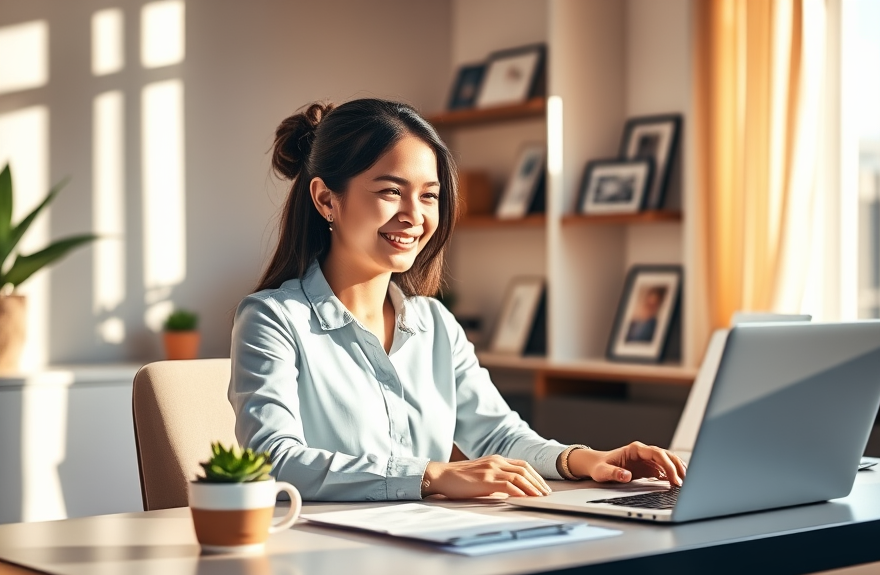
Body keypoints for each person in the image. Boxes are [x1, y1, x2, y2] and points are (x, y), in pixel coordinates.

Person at [229, 98, 686, 505]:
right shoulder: (272, 320)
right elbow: (274, 459)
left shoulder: (434, 324)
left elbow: (496, 434)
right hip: (331, 559)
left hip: (432, 545)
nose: (414, 215)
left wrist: (583, 460)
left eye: (429, 195)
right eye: (391, 191)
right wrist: (431, 475)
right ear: (327, 198)